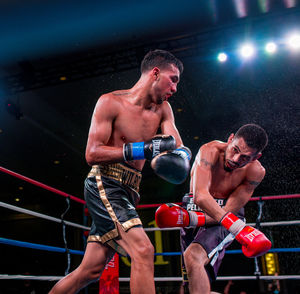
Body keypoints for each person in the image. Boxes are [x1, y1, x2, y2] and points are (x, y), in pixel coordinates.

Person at [49, 49, 191, 294]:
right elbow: (92, 153)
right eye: (173, 79)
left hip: (129, 192)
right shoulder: (111, 102)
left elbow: (176, 145)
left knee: (90, 271)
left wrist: (183, 156)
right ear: (155, 73)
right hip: (105, 183)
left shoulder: (163, 109)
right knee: (144, 251)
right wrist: (142, 149)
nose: (175, 88)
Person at [155, 124, 272, 294]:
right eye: (235, 149)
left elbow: (229, 211)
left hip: (224, 219)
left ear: (256, 157)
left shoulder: (255, 171)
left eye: (245, 157)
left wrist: (234, 226)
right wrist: (193, 219)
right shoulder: (209, 151)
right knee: (191, 284)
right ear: (230, 138)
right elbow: (200, 196)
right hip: (197, 211)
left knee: (193, 257)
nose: (236, 159)